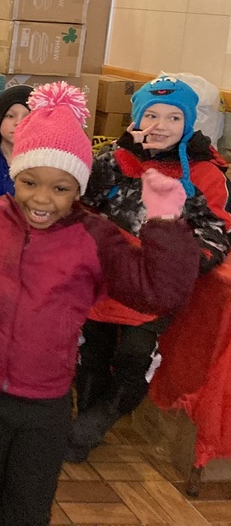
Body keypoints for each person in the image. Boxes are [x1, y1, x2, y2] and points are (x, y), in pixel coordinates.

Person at [0, 81, 202, 526]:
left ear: (79, 188)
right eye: (30, 182)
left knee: (28, 504)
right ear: (15, 175)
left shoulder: (93, 235)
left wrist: (163, 222)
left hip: (44, 401)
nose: (42, 199)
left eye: (61, 188)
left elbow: (155, 290)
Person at [68, 75, 231, 462]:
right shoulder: (113, 159)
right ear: (136, 119)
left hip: (157, 290)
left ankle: (92, 425)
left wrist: (178, 266)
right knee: (91, 351)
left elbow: (215, 234)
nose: (160, 126)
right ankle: (84, 424)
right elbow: (85, 202)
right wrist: (120, 152)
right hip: (105, 280)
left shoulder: (206, 172)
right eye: (151, 115)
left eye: (174, 118)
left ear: (189, 123)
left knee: (134, 359)